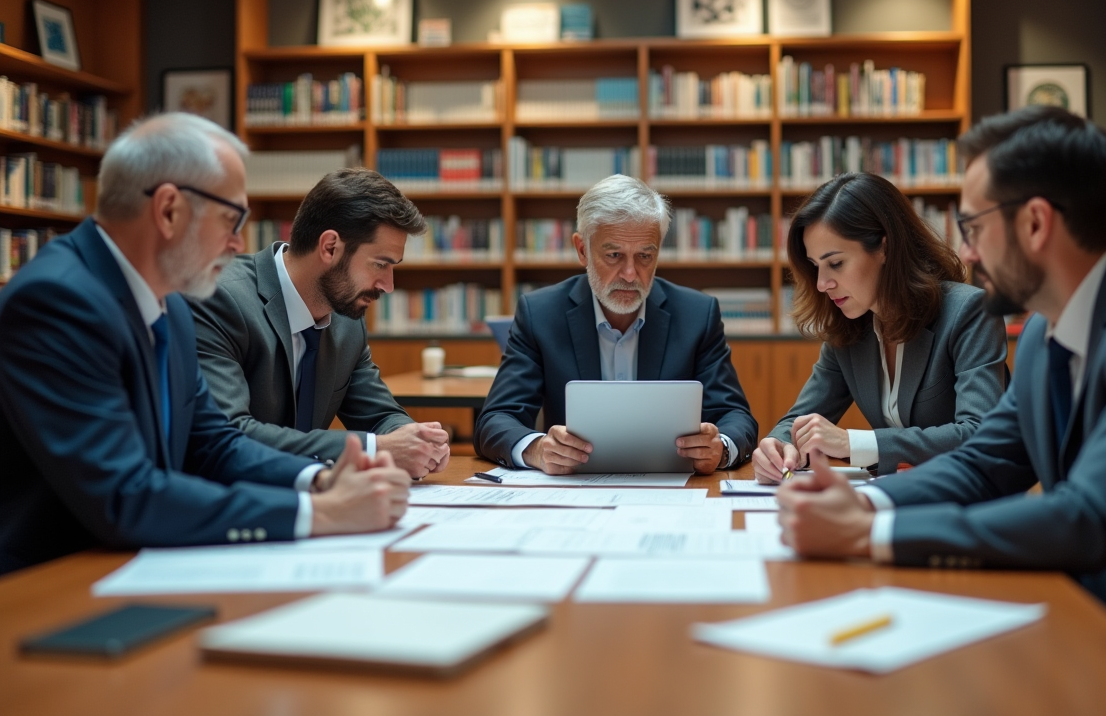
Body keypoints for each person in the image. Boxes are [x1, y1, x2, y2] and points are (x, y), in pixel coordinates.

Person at [776, 106, 1106, 675]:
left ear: (1034, 224)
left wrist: (873, 532)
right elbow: (985, 463)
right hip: (1078, 613)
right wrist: (865, 500)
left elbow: (1088, 516)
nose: (966, 253)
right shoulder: (1052, 326)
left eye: (974, 228)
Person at [0, 113, 410, 575]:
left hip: (136, 559)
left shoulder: (171, 303)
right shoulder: (59, 301)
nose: (238, 244)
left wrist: (321, 481)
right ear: (169, 210)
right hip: (49, 578)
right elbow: (124, 494)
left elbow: (213, 442)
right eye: (231, 219)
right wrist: (321, 514)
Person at [474, 174, 757, 474]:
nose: (631, 274)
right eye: (614, 255)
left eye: (645, 256)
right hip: (575, 495)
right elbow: (495, 419)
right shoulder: (541, 314)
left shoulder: (697, 314)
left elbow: (736, 417)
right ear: (582, 249)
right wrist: (537, 449)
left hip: (672, 490)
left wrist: (721, 448)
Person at [190, 168, 451, 479]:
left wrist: (414, 439)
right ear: (330, 247)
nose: (388, 285)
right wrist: (376, 448)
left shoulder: (346, 319)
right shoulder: (219, 299)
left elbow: (379, 414)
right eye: (380, 264)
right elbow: (230, 435)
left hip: (319, 504)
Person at [754, 172, 1008, 480]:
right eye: (815, 266)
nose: (822, 284)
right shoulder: (847, 330)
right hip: (895, 497)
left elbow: (978, 433)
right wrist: (778, 446)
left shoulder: (968, 311)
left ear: (885, 248)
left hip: (968, 506)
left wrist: (854, 443)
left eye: (835, 263)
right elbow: (800, 419)